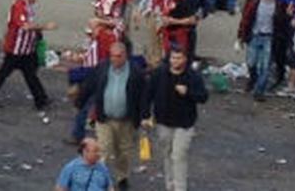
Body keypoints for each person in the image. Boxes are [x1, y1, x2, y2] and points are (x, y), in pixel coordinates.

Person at [74, 41, 145, 190]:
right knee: (103, 150)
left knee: (123, 152)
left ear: (125, 56)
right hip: (105, 118)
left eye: (119, 56)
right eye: (113, 56)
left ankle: (122, 176)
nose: (115, 60)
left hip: (126, 119)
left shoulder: (136, 72)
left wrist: (144, 115)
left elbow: (143, 95)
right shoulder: (102, 68)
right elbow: (89, 85)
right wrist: (79, 102)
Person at [145, 45, 208, 191]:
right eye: (173, 57)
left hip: (184, 124)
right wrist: (145, 114)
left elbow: (203, 97)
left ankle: (180, 187)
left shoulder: (192, 76)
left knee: (178, 156)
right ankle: (170, 185)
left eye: (179, 58)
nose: (175, 61)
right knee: (167, 155)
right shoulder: (160, 73)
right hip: (164, 122)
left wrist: (188, 92)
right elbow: (148, 94)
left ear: (185, 59)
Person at [0, 0, 55, 110]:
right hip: (16, 48)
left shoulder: (26, 6)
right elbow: (25, 26)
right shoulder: (19, 6)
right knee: (6, 73)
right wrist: (45, 27)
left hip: (25, 47)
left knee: (29, 74)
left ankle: (41, 99)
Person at [237, 0, 282, 102]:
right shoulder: (254, 2)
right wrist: (241, 36)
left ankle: (259, 91)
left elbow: (281, 22)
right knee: (251, 63)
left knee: (265, 66)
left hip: (268, 37)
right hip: (255, 35)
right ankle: (253, 79)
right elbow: (245, 19)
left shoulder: (277, 4)